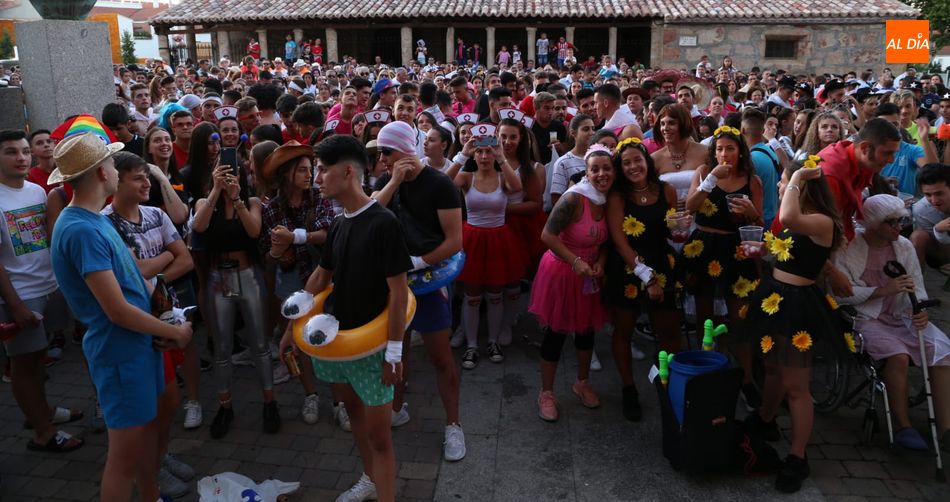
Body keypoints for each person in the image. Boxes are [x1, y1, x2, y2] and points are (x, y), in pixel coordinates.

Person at [50, 133, 192, 501]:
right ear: (101, 173)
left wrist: (165, 324)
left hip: (135, 347)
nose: (116, 169)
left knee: (143, 440)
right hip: (119, 352)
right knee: (123, 459)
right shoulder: (82, 228)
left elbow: (133, 280)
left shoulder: (93, 220)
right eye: (112, 164)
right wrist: (173, 333)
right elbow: (115, 309)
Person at [280, 134, 410, 502]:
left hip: (373, 348)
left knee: (380, 437)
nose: (316, 178)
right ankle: (368, 478)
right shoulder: (338, 223)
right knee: (353, 413)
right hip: (338, 343)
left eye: (322, 170)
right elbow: (320, 278)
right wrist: (293, 327)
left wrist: (395, 355)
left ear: (348, 171)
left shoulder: (384, 223)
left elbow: (399, 292)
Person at [744, 159, 847, 493]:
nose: (780, 186)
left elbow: (788, 217)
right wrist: (763, 249)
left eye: (785, 181)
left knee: (797, 386)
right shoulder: (803, 218)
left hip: (798, 306)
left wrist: (798, 175)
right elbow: (789, 250)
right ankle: (766, 418)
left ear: (802, 186)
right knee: (773, 369)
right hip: (776, 296)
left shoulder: (821, 220)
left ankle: (797, 456)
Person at [101, 151, 197, 498]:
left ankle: (158, 457)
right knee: (154, 405)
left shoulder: (156, 213)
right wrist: (163, 261)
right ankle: (149, 473)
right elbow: (135, 272)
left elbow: (185, 259)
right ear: (117, 180)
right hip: (139, 324)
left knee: (169, 403)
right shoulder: (105, 223)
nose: (147, 184)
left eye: (148, 177)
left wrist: (152, 273)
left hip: (166, 315)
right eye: (139, 178)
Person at [371, 121, 466, 461]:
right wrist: (394, 180)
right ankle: (397, 407)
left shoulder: (440, 184)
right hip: (396, 282)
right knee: (397, 351)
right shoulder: (386, 180)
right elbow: (366, 217)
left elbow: (455, 240)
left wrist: (418, 261)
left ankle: (453, 425)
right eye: (379, 152)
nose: (381, 158)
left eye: (387, 151)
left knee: (441, 356)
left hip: (430, 280)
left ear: (406, 150)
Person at [835, 194, 950, 453]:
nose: (899, 226)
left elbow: (917, 288)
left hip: (902, 315)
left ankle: (945, 428)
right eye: (892, 222)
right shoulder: (850, 247)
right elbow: (840, 292)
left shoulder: (905, 246)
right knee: (897, 355)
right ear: (873, 224)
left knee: (942, 353)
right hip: (867, 317)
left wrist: (920, 309)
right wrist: (882, 290)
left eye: (902, 220)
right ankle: (903, 426)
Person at [1, 129, 85, 453]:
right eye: (11, 152)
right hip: (19, 295)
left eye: (24, 151)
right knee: (23, 365)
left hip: (48, 287)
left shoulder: (38, 191)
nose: (22, 157)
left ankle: (43, 413)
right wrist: (15, 305)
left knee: (39, 361)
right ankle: (42, 432)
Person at [191, 132, 279, 439]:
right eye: (222, 171)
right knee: (223, 347)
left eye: (234, 171)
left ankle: (270, 402)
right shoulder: (206, 201)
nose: (229, 175)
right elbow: (198, 226)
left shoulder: (251, 201)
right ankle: (225, 405)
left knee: (260, 345)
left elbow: (254, 232)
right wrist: (216, 192)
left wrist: (238, 198)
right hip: (219, 279)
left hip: (247, 275)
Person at [530, 145, 614, 422]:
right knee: (556, 333)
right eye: (595, 169)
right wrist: (575, 261)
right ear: (586, 174)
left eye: (606, 168)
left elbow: (605, 239)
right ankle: (546, 392)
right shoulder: (573, 199)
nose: (602, 174)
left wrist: (600, 260)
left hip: (589, 274)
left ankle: (582, 382)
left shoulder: (608, 199)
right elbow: (547, 235)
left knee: (586, 331)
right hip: (563, 271)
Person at [603, 137, 681, 421]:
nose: (634, 166)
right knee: (624, 328)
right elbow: (620, 242)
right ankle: (629, 388)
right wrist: (647, 277)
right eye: (626, 163)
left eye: (638, 160)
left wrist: (680, 230)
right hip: (628, 266)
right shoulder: (618, 197)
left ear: (647, 162)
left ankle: (673, 383)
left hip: (661, 261)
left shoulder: (667, 190)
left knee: (670, 329)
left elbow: (672, 229)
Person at [684, 125, 762, 402]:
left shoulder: (752, 180)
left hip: (736, 250)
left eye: (730, 148)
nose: (724, 154)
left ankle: (747, 378)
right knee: (705, 318)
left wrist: (752, 212)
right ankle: (707, 372)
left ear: (740, 151)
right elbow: (690, 207)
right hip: (704, 246)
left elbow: (759, 225)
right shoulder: (704, 172)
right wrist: (711, 180)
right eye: (719, 149)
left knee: (739, 318)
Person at [258, 141, 334, 425]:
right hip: (290, 279)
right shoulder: (272, 208)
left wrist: (296, 237)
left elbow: (328, 233)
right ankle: (310, 394)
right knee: (299, 340)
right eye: (302, 170)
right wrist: (277, 251)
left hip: (323, 276)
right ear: (288, 173)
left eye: (310, 169)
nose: (309, 175)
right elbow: (267, 252)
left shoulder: (319, 197)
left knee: (329, 335)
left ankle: (338, 400)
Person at [910, 163, 950, 272]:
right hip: (943, 250)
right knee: (917, 237)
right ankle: (917, 282)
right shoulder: (921, 210)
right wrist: (938, 230)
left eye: (939, 193)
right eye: (928, 195)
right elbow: (942, 248)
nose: (934, 200)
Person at [549, 114, 596, 207]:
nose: (592, 132)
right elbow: (556, 199)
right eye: (586, 129)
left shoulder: (599, 157)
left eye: (593, 128)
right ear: (573, 133)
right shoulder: (563, 162)